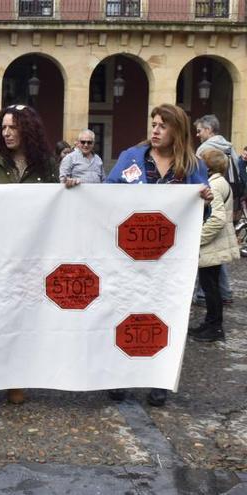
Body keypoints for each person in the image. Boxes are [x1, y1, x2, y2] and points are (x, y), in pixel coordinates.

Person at [104, 103, 212, 407]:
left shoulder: (192, 167)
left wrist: (204, 200)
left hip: (169, 261)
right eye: (153, 124)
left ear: (177, 130)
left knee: (164, 318)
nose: (155, 130)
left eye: (163, 125)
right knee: (124, 314)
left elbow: (200, 216)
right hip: (128, 256)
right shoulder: (131, 158)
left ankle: (158, 378)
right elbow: (107, 194)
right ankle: (120, 376)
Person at [0, 104, 58, 405]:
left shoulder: (47, 164)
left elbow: (56, 204)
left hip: (31, 254)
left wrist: (69, 189)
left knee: (22, 317)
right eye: (4, 127)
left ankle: (16, 379)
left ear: (28, 130)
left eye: (13, 127)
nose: (6, 133)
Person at [190, 149, 239, 343]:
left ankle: (215, 328)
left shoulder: (214, 185)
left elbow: (217, 219)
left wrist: (197, 238)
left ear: (208, 165)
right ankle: (210, 324)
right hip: (215, 244)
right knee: (212, 287)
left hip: (211, 245)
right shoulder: (221, 182)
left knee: (210, 288)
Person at [194, 115, 237, 305]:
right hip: (227, 192)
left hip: (212, 195)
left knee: (209, 253)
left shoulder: (205, 149)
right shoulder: (228, 146)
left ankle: (206, 296)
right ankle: (224, 292)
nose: (197, 134)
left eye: (199, 130)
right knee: (217, 251)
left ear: (209, 130)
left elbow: (196, 173)